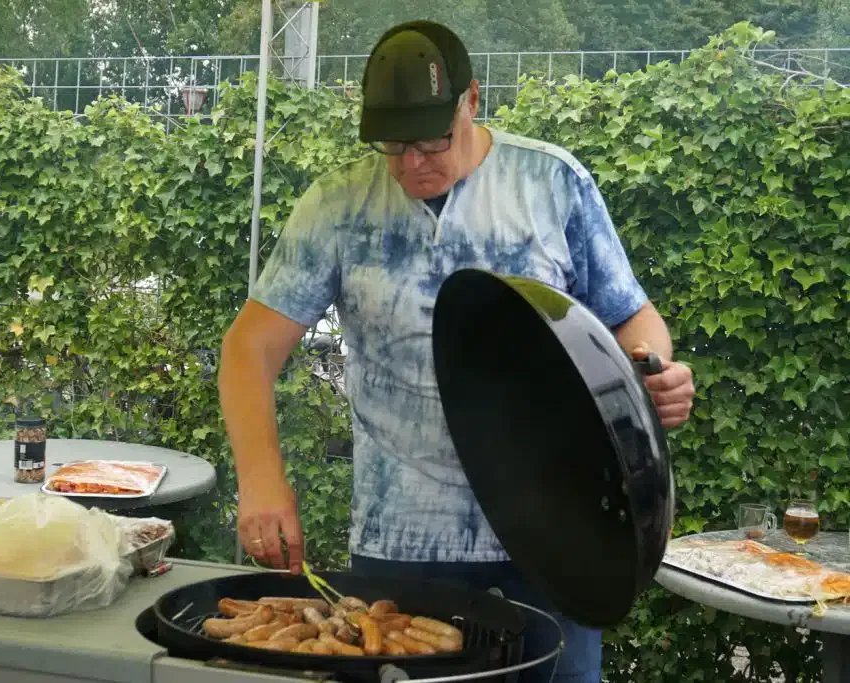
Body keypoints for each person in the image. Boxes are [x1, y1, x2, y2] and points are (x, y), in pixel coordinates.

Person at [218, 20, 695, 683]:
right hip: (400, 545)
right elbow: (248, 348)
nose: (412, 162)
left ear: (471, 100)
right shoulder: (337, 205)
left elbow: (632, 318)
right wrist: (262, 480)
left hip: (560, 537)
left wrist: (650, 372)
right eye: (393, 145)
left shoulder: (551, 183)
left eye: (431, 139)